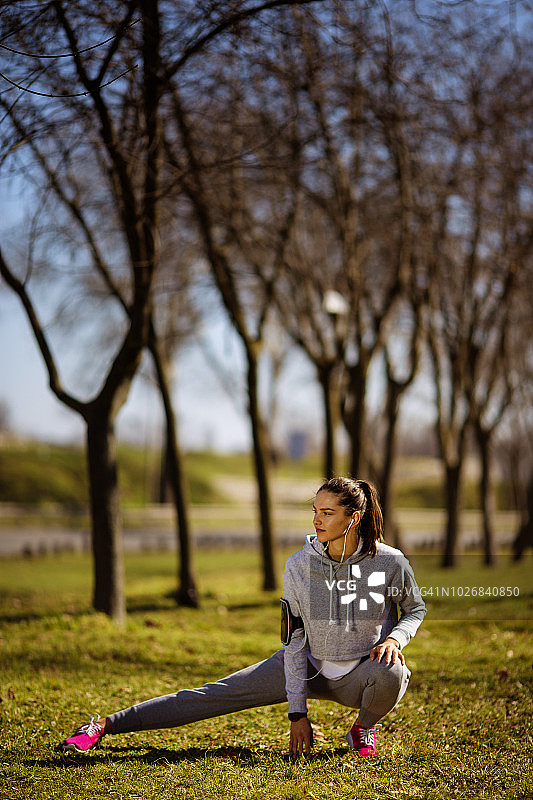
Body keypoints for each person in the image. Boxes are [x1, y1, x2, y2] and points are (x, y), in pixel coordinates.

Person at [60, 477, 426, 759]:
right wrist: (297, 711)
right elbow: (295, 639)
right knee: (208, 696)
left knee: (393, 672)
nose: (316, 520)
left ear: (354, 517)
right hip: (304, 666)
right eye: (315, 511)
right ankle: (103, 726)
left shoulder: (389, 562)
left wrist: (395, 638)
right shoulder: (300, 565)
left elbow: (414, 609)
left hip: (361, 673)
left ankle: (362, 729)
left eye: (327, 513)